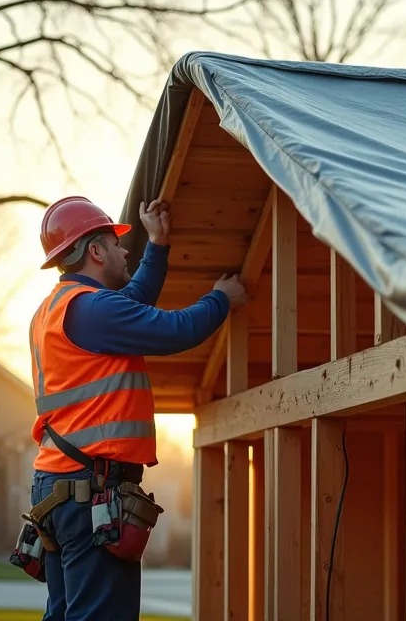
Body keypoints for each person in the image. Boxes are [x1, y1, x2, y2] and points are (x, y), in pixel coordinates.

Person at [26, 195, 247, 621]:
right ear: (94, 251)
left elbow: (134, 301)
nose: (126, 250)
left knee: (67, 613)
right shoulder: (93, 309)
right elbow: (175, 329)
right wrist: (220, 299)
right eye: (116, 243)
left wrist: (159, 246)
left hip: (57, 490)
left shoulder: (58, 309)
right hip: (89, 489)